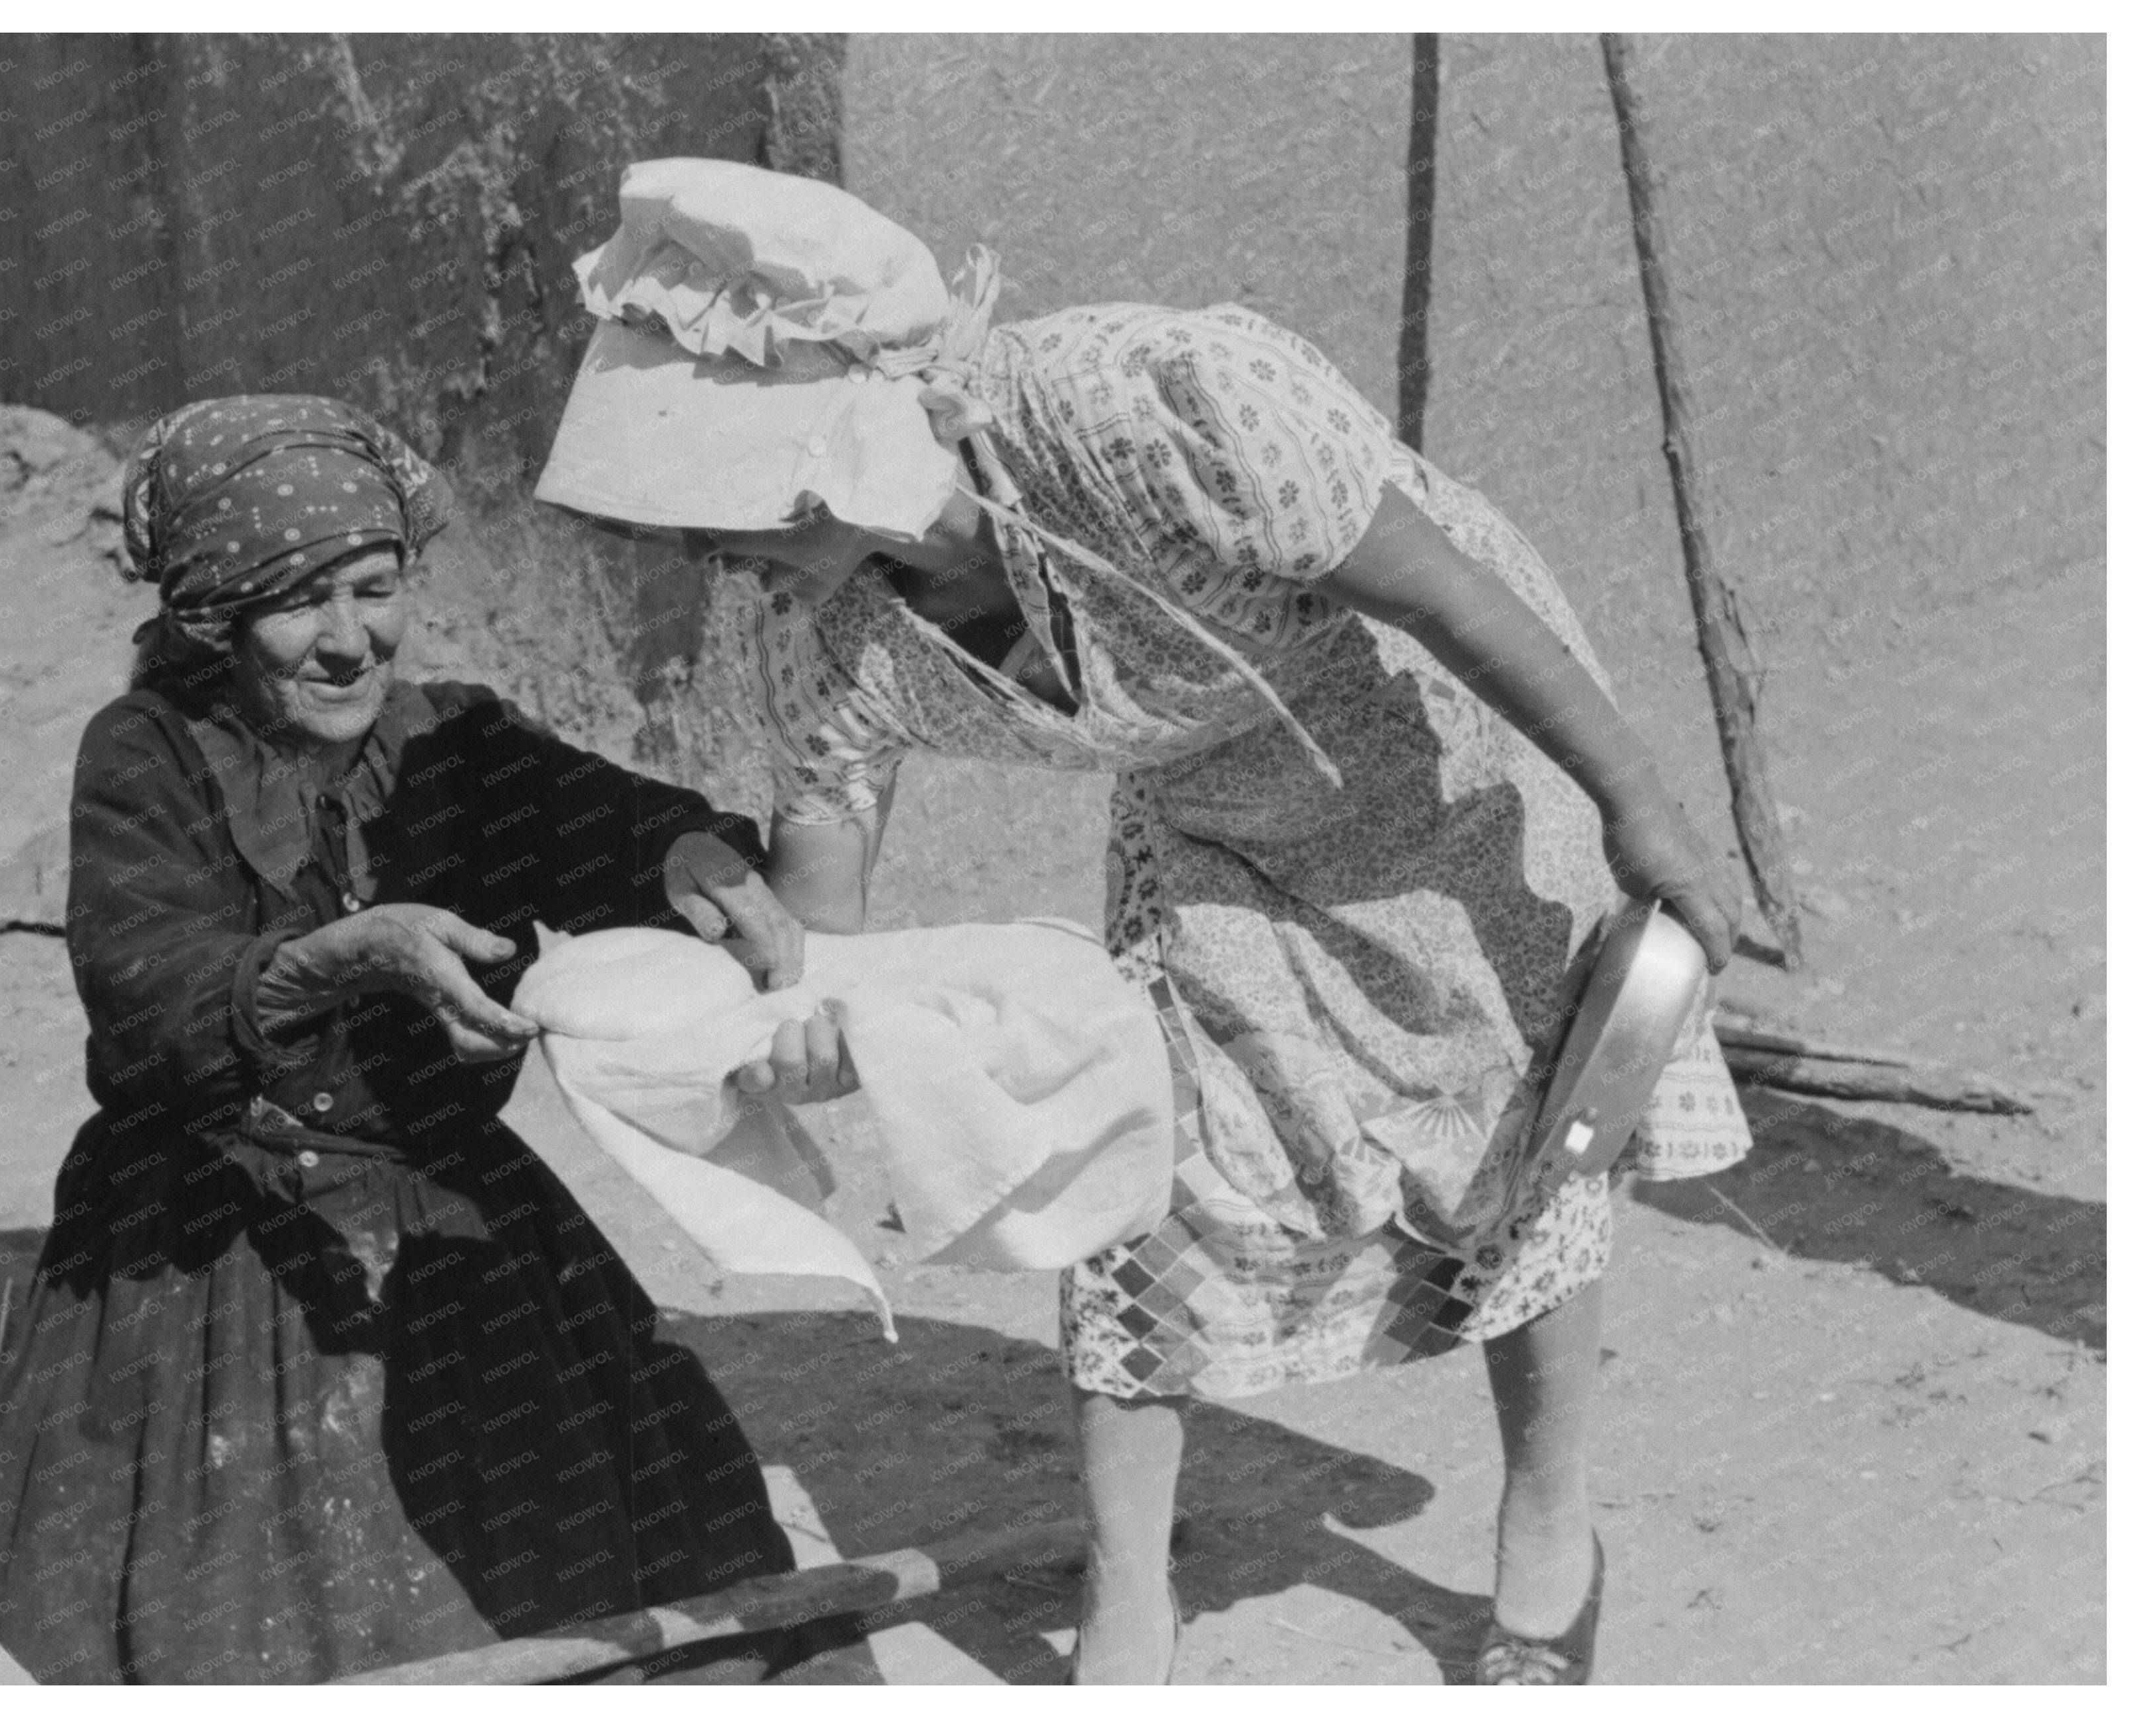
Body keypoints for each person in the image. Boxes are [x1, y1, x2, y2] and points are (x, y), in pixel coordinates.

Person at [536, 159, 1757, 1685]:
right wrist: (789, 1027)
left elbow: (1449, 601)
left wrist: (1639, 805)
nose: (705, 557)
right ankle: (1129, 1595)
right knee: (1142, 1166)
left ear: (839, 438)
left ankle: (1550, 1524)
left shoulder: (1156, 407)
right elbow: (818, 926)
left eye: (721, 508)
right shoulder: (825, 634)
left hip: (1458, 751)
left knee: (1526, 1136)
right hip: (1213, 817)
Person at [0, 394, 870, 1685]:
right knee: (240, 1602)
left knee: (599, 1563)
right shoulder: (150, 756)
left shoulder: (449, 739)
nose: (351, 639)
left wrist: (678, 849)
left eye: (374, 589)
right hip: (221, 1228)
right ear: (215, 616)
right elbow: (148, 1005)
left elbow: (594, 821)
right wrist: (341, 955)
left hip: (441, 1219)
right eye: (299, 602)